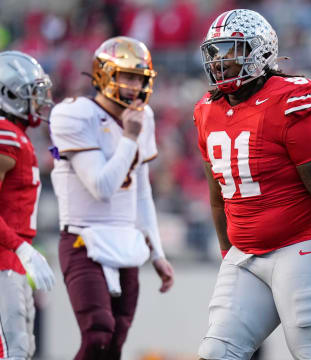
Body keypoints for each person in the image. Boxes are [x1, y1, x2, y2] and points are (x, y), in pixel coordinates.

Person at [193, 9, 311, 360]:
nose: (221, 63)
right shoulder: (206, 111)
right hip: (245, 256)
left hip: (299, 249)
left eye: (231, 51)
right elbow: (217, 198)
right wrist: (228, 254)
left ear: (260, 52)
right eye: (215, 53)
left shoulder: (289, 101)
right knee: (215, 353)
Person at [49, 36, 174, 360]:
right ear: (104, 74)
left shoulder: (141, 117)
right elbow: (101, 187)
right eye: (127, 76)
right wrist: (129, 138)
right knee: (98, 333)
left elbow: (142, 192)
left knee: (115, 342)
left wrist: (157, 253)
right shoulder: (74, 114)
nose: (134, 86)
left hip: (125, 241)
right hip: (83, 238)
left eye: (139, 78)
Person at [0, 50, 55, 360]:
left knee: (22, 350)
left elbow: (52, 161)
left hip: (14, 261)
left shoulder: (18, 137)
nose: (40, 100)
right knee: (13, 350)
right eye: (31, 93)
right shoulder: (5, 134)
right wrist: (20, 248)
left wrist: (64, 152)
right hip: (4, 260)